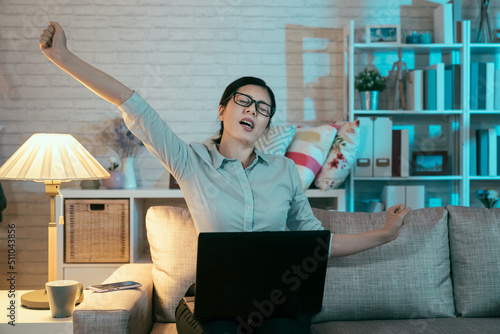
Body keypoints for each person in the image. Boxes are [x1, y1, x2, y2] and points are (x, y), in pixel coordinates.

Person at [39, 22, 411, 334]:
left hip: (277, 300)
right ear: (222, 110)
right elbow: (132, 104)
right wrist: (63, 58)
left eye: (263, 109)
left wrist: (385, 232)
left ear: (266, 124)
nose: (253, 110)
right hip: (213, 303)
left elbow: (316, 244)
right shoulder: (190, 161)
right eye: (243, 101)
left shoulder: (285, 172)